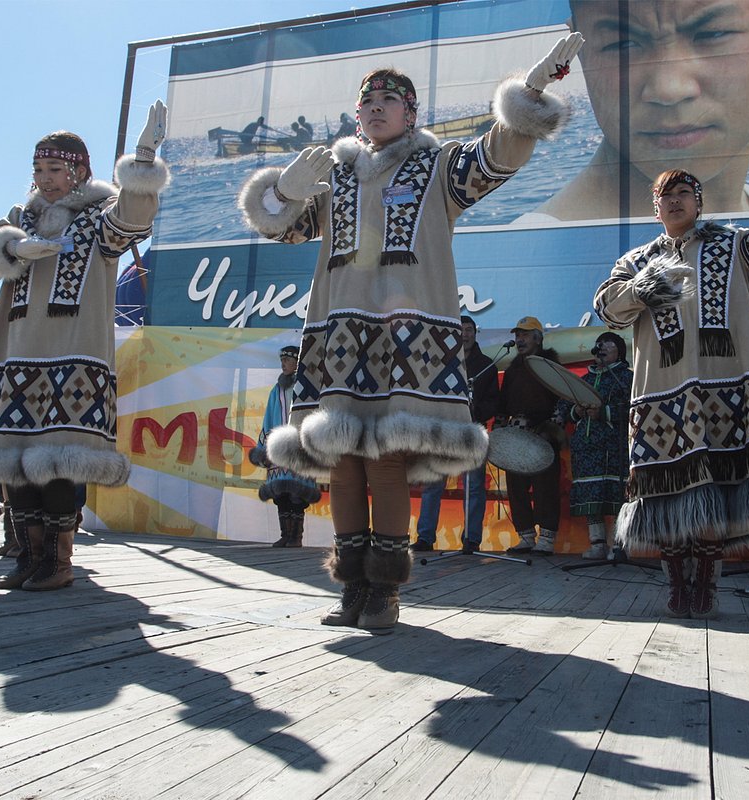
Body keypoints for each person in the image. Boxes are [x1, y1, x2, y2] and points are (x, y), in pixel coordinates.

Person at [236, 34, 583, 631]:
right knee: (343, 463)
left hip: (408, 336)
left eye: (389, 98)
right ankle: (351, 588)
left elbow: (499, 155)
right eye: (367, 98)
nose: (375, 105)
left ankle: (385, 594)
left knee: (388, 461)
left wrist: (530, 92)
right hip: (338, 334)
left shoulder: (439, 166)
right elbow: (282, 230)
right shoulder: (334, 177)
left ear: (412, 113)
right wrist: (285, 192)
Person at [0, 102, 172, 591]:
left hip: (72, 354)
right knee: (15, 460)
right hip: (15, 351)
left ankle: (59, 562)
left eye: (56, 168)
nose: (45, 177)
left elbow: (134, 218)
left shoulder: (96, 219)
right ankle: (28, 556)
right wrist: (12, 247)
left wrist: (144, 156)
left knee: (61, 457)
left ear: (79, 171)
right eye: (39, 169)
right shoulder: (19, 219)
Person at [594, 129, 749, 619]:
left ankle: (707, 585)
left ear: (699, 203)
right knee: (667, 498)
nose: (675, 201)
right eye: (666, 195)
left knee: (719, 495)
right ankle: (676, 585)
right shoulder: (636, 260)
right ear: (654, 207)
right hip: (663, 395)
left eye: (685, 193)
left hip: (728, 388)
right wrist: (644, 287)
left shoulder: (734, 247)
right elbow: (609, 310)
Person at [530, 0, 749, 222]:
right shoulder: (536, 242)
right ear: (578, 49)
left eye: (713, 34)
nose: (669, 89)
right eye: (623, 43)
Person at [413, 316, 500, 554]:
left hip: (472, 431)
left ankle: (471, 539)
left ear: (475, 333)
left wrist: (477, 410)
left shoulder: (486, 365)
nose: (465, 334)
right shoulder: (441, 362)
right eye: (460, 330)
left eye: (469, 330)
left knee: (473, 488)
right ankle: (425, 537)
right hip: (443, 431)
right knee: (432, 485)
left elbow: (494, 402)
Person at [559, 331, 633, 560]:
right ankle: (597, 544)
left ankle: (620, 545)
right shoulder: (585, 380)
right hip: (586, 447)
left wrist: (605, 412)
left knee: (618, 495)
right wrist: (576, 411)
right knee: (591, 497)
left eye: (607, 344)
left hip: (614, 446)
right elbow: (564, 407)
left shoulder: (627, 378)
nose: (601, 348)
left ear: (619, 350)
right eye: (598, 344)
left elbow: (635, 408)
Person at [497, 316, 566, 555]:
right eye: (517, 335)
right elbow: (503, 403)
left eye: (524, 335)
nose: (519, 339)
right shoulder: (513, 369)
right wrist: (499, 428)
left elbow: (562, 400)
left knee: (545, 487)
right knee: (516, 485)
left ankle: (547, 537)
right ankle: (525, 536)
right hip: (517, 434)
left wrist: (552, 427)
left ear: (538, 338)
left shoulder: (551, 365)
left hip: (543, 433)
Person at [249, 345, 321, 547]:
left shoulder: (307, 388)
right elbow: (268, 418)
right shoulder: (277, 390)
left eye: (287, 360)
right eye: (282, 360)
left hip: (300, 449)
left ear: (298, 362)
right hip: (279, 449)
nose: (283, 364)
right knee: (280, 493)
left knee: (297, 493)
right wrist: (264, 447)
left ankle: (296, 537)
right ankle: (286, 535)